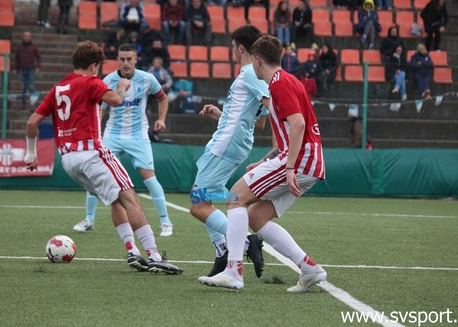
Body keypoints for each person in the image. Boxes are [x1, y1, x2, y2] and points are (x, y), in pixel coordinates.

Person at [25, 41, 182, 274]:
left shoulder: (58, 88)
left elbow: (31, 123)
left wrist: (31, 153)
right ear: (93, 65)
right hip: (92, 153)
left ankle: (132, 250)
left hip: (68, 160)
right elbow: (116, 100)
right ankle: (154, 255)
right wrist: (122, 87)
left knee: (115, 200)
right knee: (131, 198)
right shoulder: (91, 81)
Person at [198, 35, 326, 291]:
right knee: (255, 216)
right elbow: (291, 129)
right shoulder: (287, 81)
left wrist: (288, 168)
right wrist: (266, 161)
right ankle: (309, 268)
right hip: (309, 161)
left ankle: (233, 271)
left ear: (257, 60)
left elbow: (299, 125)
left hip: (300, 160)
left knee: (235, 195)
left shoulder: (278, 83)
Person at [189, 25, 269, 278]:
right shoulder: (258, 76)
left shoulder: (248, 74)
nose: (232, 51)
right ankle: (222, 251)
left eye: (233, 46)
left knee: (198, 204)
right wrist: (220, 115)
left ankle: (246, 241)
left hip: (226, 143)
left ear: (241, 47)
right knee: (206, 198)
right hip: (234, 140)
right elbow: (260, 121)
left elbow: (272, 107)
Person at [73, 44, 174, 236]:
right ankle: (89, 219)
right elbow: (99, 110)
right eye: (122, 59)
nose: (126, 63)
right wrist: (94, 133)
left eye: (129, 59)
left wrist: (161, 119)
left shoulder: (147, 79)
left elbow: (162, 98)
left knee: (150, 178)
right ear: (117, 60)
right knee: (95, 176)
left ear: (136, 59)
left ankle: (165, 222)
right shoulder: (108, 80)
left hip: (138, 135)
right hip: (113, 135)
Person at [13, 31, 41, 110]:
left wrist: (38, 67)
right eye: (26, 36)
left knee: (31, 86)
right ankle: (23, 105)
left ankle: (33, 104)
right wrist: (15, 68)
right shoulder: (20, 47)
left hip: (31, 69)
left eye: (29, 36)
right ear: (23, 37)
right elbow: (16, 58)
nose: (27, 38)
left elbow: (38, 57)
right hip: (22, 69)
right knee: (23, 88)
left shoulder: (33, 47)